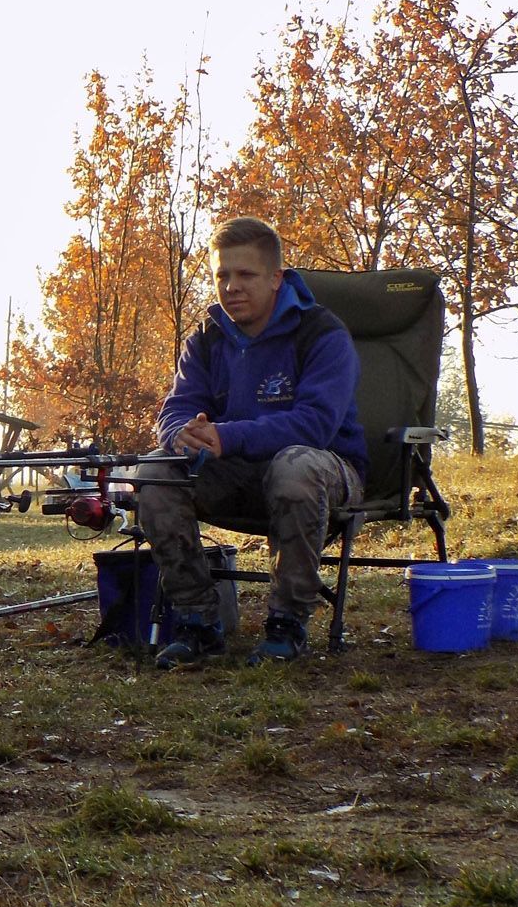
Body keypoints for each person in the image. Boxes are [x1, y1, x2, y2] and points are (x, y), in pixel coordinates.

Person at [136, 216, 366, 668]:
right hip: (237, 471)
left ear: (277, 278)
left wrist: (227, 435)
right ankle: (197, 622)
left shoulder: (322, 333)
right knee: (156, 471)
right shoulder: (206, 337)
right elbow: (176, 408)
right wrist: (182, 435)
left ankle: (287, 623)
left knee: (294, 465)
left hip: (328, 471)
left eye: (246, 275)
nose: (231, 287)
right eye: (222, 275)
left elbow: (314, 426)